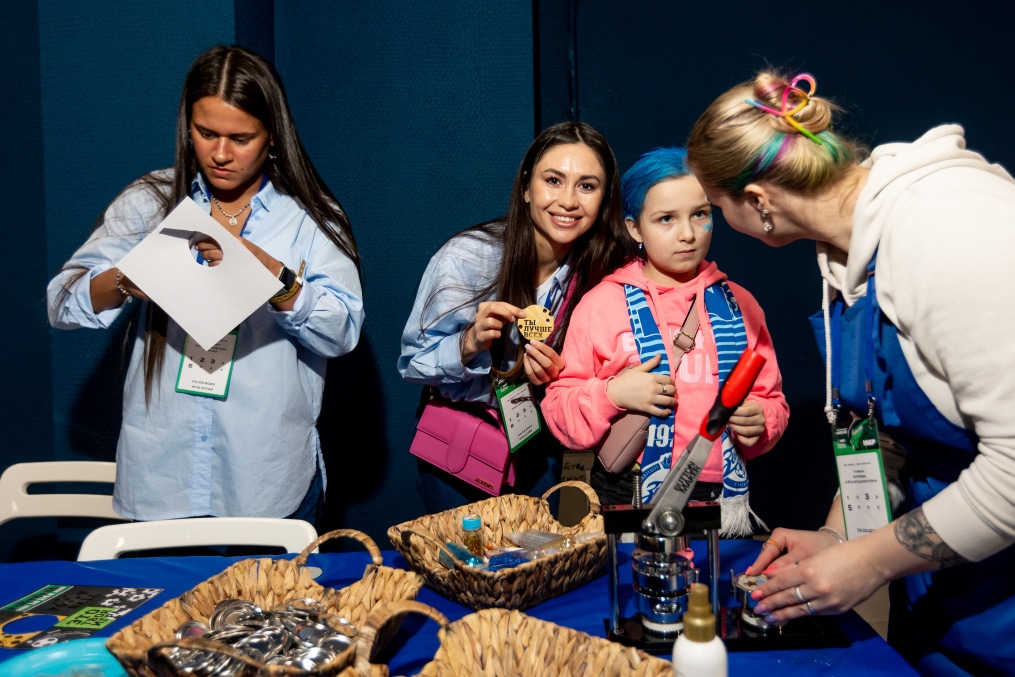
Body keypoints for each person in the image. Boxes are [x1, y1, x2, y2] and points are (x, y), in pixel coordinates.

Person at [686, 70, 1015, 675]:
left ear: (758, 202)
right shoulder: (848, 258)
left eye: (716, 207)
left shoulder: (952, 234)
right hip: (943, 601)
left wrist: (871, 562)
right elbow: (888, 432)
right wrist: (843, 538)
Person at [47, 45, 363, 530]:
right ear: (186, 126)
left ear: (273, 136)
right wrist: (125, 279)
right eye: (205, 133)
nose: (220, 153)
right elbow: (61, 303)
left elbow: (342, 334)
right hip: (161, 478)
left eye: (241, 138)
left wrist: (274, 280)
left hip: (264, 480)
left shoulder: (310, 217)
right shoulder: (151, 201)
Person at [541, 147, 789, 536]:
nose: (687, 233)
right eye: (666, 219)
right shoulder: (600, 305)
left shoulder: (741, 306)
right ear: (635, 228)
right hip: (628, 493)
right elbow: (559, 412)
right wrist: (613, 393)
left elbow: (771, 401)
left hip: (720, 500)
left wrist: (762, 420)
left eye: (700, 214)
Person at [398, 121, 628, 514]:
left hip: (548, 452)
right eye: (553, 180)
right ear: (525, 187)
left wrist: (563, 379)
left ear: (604, 199)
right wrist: (469, 343)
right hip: (465, 445)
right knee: (466, 566)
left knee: (545, 568)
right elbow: (411, 365)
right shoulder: (466, 258)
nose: (569, 201)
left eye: (587, 186)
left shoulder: (607, 274)